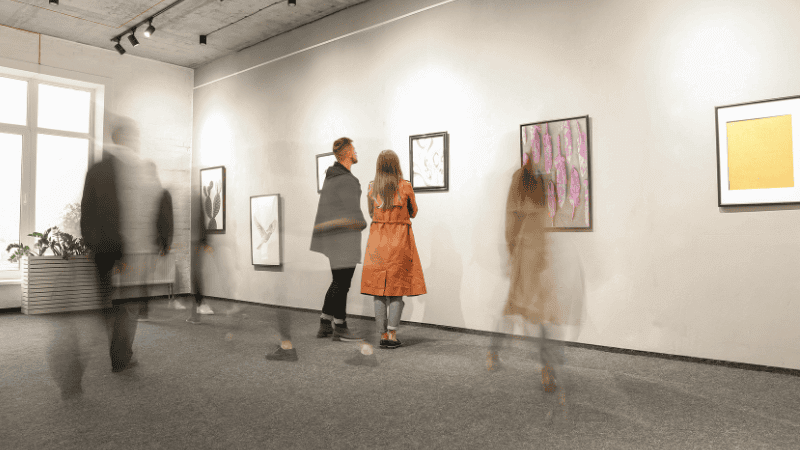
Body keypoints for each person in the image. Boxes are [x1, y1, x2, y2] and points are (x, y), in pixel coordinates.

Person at [487, 156, 565, 394]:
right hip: (531, 254)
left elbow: (513, 222)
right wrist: (513, 254)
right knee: (531, 311)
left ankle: (495, 352)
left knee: (521, 308)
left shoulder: (530, 179)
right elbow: (515, 221)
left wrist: (512, 253)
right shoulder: (528, 179)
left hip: (533, 254)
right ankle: (545, 367)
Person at [360, 150, 426, 349]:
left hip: (377, 242)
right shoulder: (405, 186)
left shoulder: (372, 188)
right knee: (397, 291)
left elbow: (371, 213)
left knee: (379, 292)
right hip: (399, 242)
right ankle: (392, 335)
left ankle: (381, 334)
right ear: (396, 165)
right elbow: (413, 212)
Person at [310, 137, 367, 342]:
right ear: (347, 154)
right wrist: (363, 223)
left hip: (333, 238)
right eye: (353, 149)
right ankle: (340, 326)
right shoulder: (346, 180)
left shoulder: (332, 177)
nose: (356, 152)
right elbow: (352, 211)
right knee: (342, 283)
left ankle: (325, 323)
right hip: (344, 238)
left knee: (338, 282)